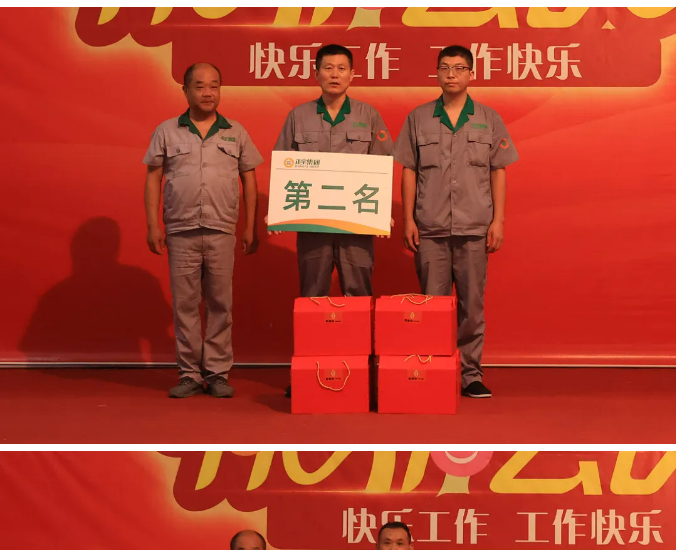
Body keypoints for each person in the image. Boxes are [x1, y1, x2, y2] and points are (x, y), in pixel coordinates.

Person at [394, 45, 519, 399]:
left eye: (460, 68)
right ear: (436, 73)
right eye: (445, 68)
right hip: (430, 227)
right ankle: (431, 370)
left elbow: (498, 170)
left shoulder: (489, 118)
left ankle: (469, 375)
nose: (452, 74)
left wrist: (498, 221)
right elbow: (408, 170)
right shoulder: (418, 118)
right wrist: (407, 219)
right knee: (431, 307)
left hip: (474, 227)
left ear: (471, 74)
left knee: (471, 305)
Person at [273, 43, 394, 397]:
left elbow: (382, 166)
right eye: (328, 68)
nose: (335, 74)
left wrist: (381, 212)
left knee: (359, 297)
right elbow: (284, 164)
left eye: (342, 68)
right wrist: (280, 209)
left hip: (356, 226)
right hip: (314, 227)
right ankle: (309, 371)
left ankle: (367, 375)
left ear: (352, 75)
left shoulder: (369, 115)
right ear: (316, 74)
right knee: (313, 299)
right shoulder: (298, 116)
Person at [144, 62, 263, 398]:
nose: (208, 92)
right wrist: (153, 225)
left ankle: (218, 373)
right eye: (199, 86)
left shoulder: (235, 131)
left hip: (222, 229)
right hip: (180, 229)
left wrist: (250, 226)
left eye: (214, 85)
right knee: (185, 305)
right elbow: (153, 177)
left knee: (220, 304)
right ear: (186, 91)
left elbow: (249, 179)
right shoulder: (167, 130)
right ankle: (189, 374)